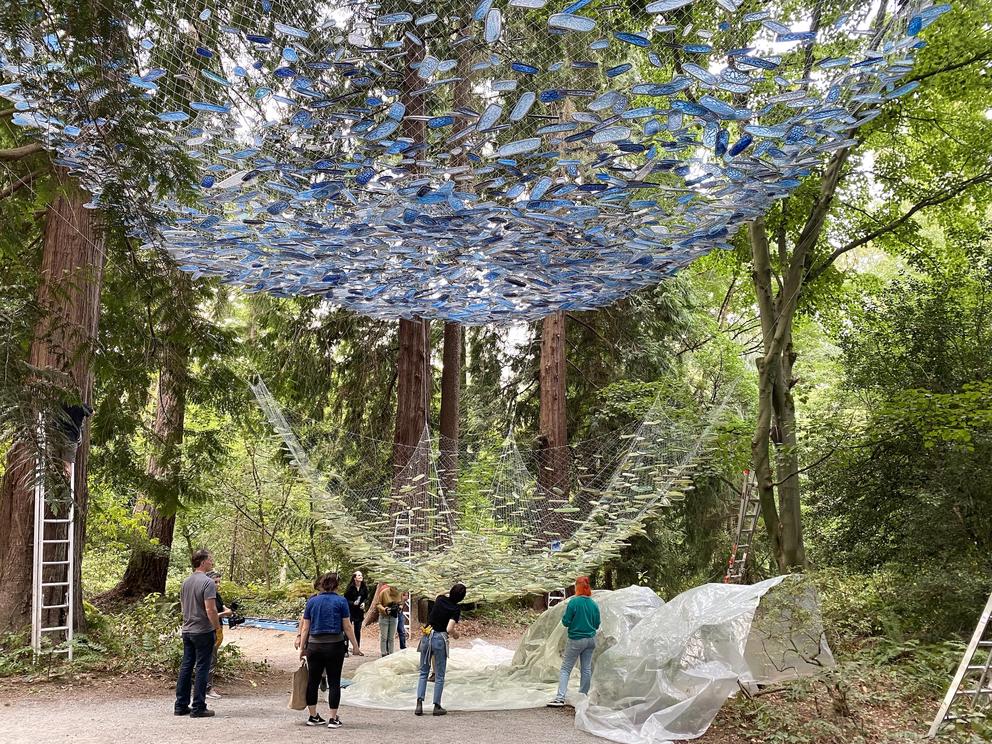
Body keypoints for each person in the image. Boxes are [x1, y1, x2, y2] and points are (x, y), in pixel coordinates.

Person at [298, 571, 363, 728]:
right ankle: (333, 719)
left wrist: (302, 648)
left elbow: (306, 627)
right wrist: (355, 645)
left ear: (321, 584)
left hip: (314, 646)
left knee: (312, 681)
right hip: (335, 646)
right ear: (337, 585)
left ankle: (313, 716)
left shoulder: (312, 601)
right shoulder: (341, 601)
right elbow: (347, 626)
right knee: (334, 682)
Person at [175, 549, 220, 718]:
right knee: (202, 667)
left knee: (186, 666)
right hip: (202, 631)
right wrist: (216, 627)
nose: (212, 562)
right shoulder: (207, 583)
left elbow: (183, 606)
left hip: (187, 630)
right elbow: (210, 609)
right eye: (210, 560)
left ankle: (180, 705)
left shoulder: (186, 582)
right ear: (202, 562)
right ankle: (198, 706)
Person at [547, 576, 600, 707]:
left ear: (578, 587)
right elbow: (597, 624)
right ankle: (583, 695)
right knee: (586, 668)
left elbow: (565, 622)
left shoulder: (573, 603)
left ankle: (560, 698)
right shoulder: (594, 604)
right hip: (591, 640)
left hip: (576, 639)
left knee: (566, 668)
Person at [415, 582, 466, 717]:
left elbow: (441, 593)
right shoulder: (455, 609)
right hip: (439, 639)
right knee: (439, 674)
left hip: (426, 636)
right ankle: (436, 706)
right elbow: (449, 628)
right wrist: (456, 634)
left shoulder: (440, 599)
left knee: (423, 672)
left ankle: (419, 704)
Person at [205, 571, 233, 700]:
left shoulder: (217, 595)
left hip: (219, 630)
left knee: (213, 658)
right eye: (215, 582)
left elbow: (224, 608)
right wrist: (222, 614)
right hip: (209, 630)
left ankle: (206, 687)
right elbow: (210, 614)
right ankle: (207, 688)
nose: (217, 584)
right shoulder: (206, 595)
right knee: (209, 660)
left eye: (219, 582)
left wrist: (226, 612)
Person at [343, 571, 368, 657]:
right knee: (347, 630)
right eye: (359, 575)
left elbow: (366, 598)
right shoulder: (350, 587)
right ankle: (345, 650)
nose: (361, 576)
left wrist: (364, 603)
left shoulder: (364, 587)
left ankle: (357, 649)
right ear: (354, 578)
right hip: (350, 611)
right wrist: (353, 603)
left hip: (359, 611)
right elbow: (345, 599)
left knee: (357, 630)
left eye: (361, 575)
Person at [376, 585, 401, 657]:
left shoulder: (400, 593)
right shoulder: (384, 592)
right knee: (384, 637)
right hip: (384, 617)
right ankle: (383, 653)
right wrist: (384, 609)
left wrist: (399, 608)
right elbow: (378, 604)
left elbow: (401, 603)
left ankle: (391, 653)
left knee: (392, 637)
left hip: (394, 617)